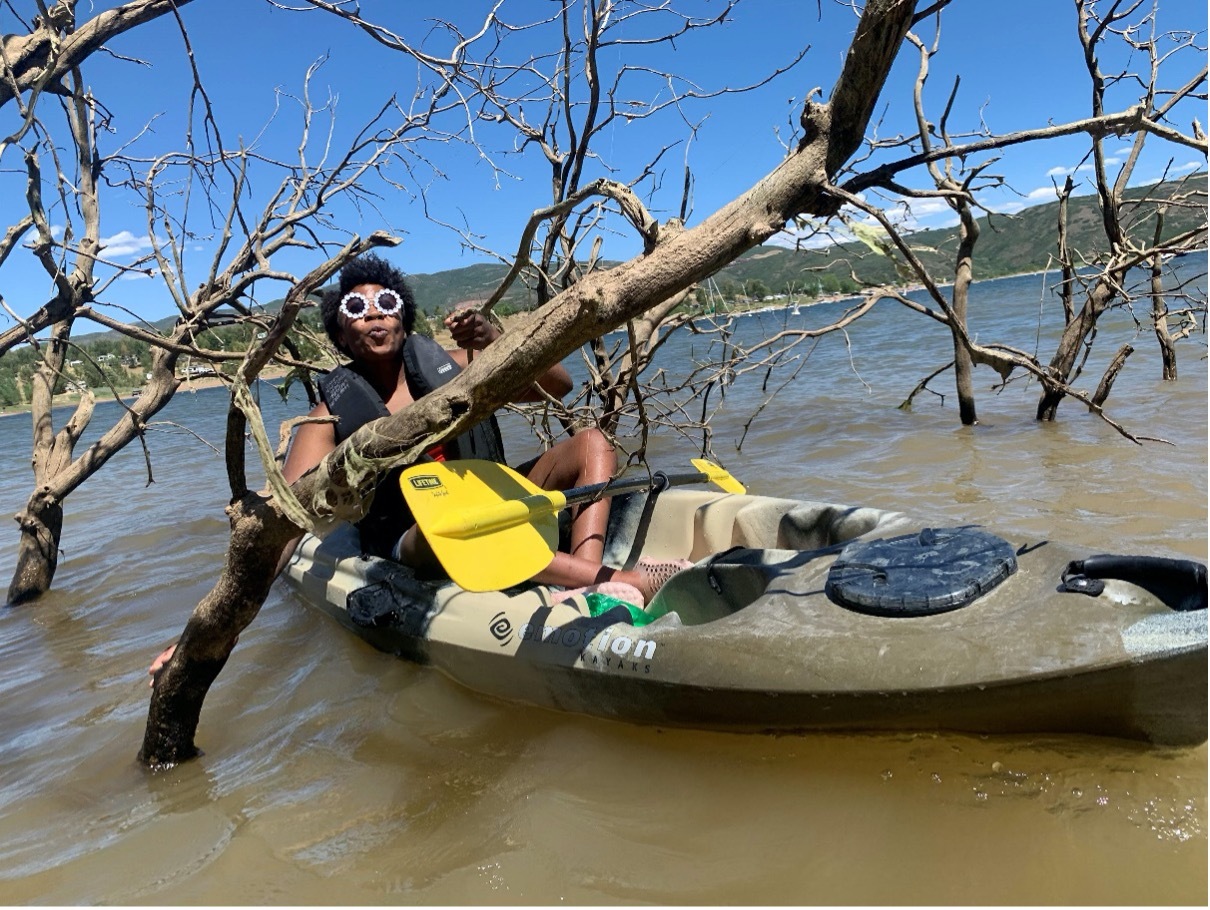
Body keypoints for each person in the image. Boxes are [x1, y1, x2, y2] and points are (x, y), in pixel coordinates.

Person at [150, 253, 687, 684]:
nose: (375, 314)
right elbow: (286, 521)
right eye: (355, 310)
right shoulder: (328, 416)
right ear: (340, 333)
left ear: (404, 315)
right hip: (416, 537)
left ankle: (584, 581)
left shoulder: (453, 366)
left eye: (385, 303)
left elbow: (559, 386)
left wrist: (493, 342)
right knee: (449, 524)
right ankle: (623, 579)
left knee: (591, 440)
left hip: (495, 498)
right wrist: (206, 635)